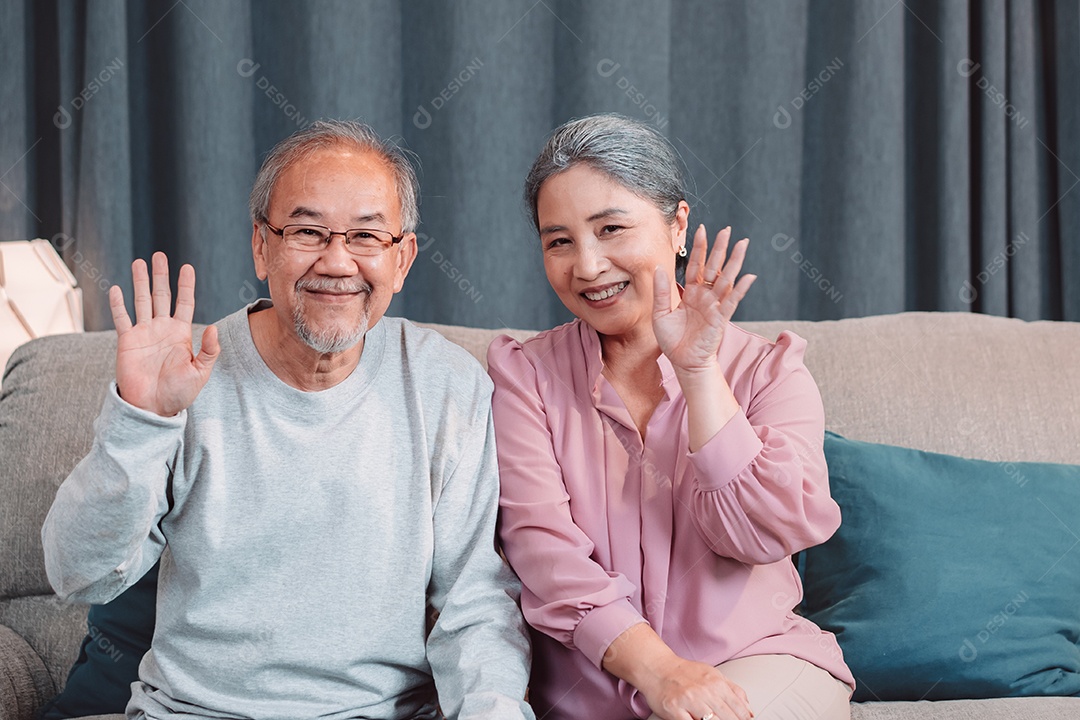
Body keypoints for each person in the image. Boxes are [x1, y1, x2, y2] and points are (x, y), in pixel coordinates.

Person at [42, 119, 534, 720]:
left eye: (365, 237)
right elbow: (78, 576)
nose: (336, 261)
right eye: (306, 230)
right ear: (261, 245)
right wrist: (140, 420)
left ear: (402, 259)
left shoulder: (448, 385)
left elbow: (476, 605)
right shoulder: (183, 377)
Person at [487, 113, 854, 720]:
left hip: (757, 662)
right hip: (588, 694)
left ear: (677, 225)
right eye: (559, 241)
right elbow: (543, 555)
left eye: (611, 229)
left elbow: (762, 534)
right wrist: (660, 673)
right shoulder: (526, 376)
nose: (587, 265)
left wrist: (699, 372)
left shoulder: (771, 373)